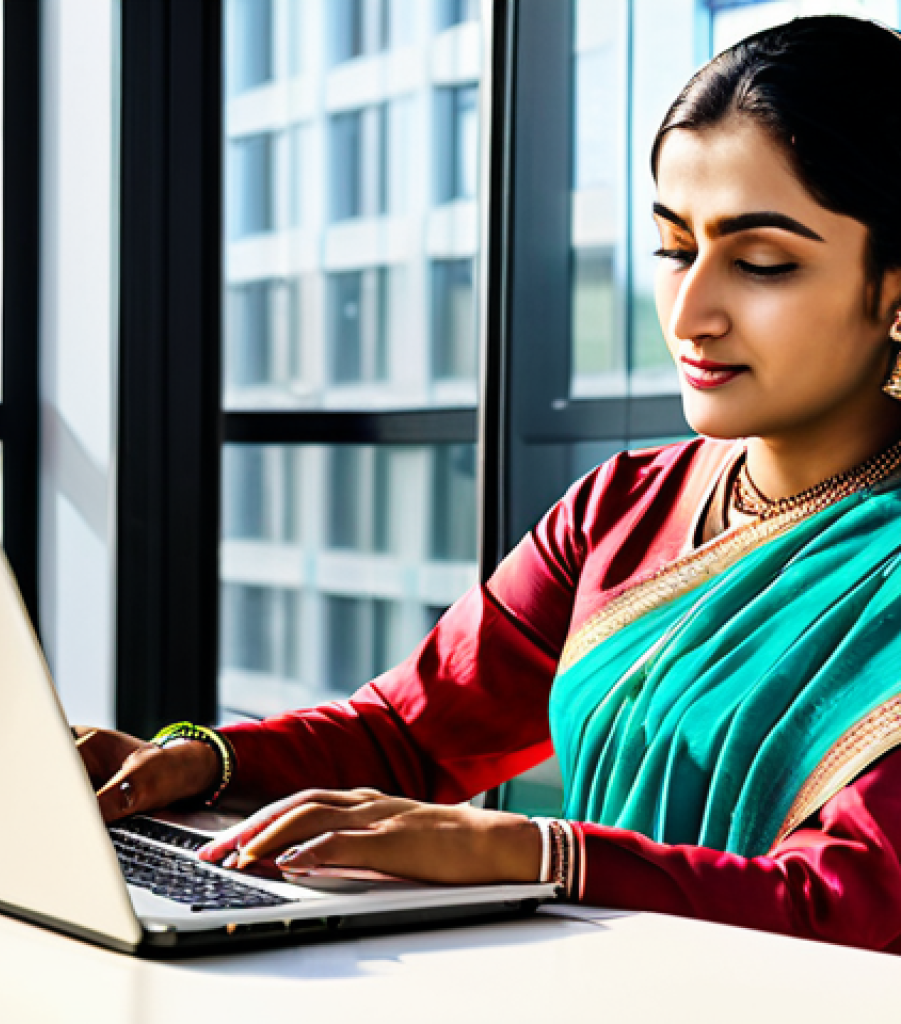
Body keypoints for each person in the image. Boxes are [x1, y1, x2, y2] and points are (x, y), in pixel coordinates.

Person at [77, 15, 901, 952]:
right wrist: (194, 762)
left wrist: (536, 853)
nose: (692, 311)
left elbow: (857, 906)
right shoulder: (622, 508)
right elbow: (411, 736)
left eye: (761, 262)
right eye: (675, 248)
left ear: (894, 287)